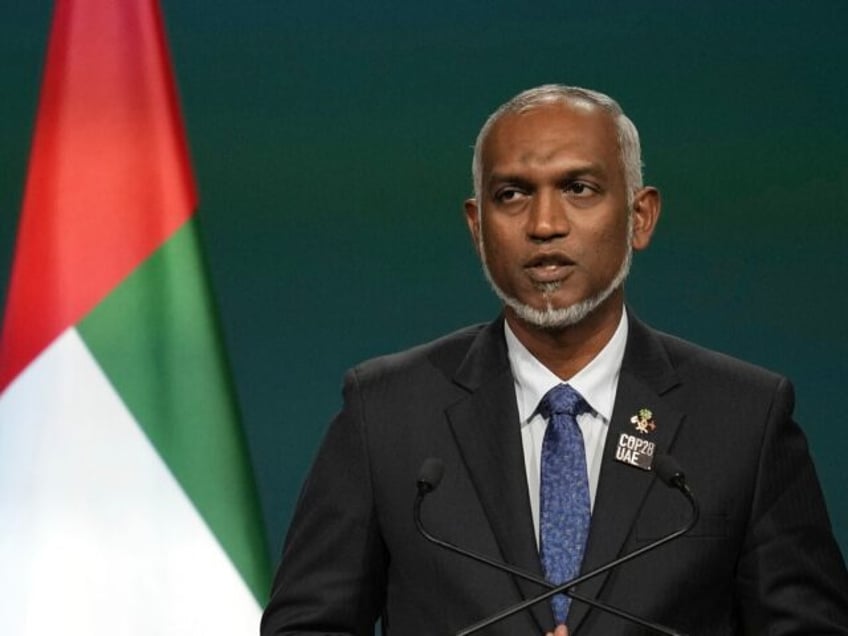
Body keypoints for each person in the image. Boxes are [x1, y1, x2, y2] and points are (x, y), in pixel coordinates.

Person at [261, 85, 848, 635]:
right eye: (512, 194)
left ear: (640, 217)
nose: (545, 225)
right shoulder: (386, 412)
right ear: (477, 228)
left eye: (579, 189)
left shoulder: (744, 418)